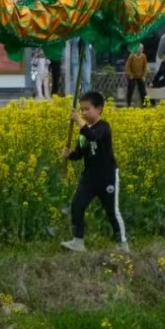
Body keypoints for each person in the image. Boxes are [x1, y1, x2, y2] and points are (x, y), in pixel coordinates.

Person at [60, 92, 128, 253]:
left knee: (112, 210)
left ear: (99, 109)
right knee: (77, 205)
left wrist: (78, 121)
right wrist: (70, 155)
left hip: (107, 177)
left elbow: (94, 137)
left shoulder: (103, 127)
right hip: (89, 178)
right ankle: (78, 240)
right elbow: (80, 152)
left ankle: (123, 243)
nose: (83, 113)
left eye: (87, 109)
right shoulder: (84, 131)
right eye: (81, 110)